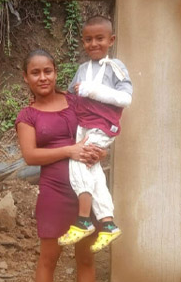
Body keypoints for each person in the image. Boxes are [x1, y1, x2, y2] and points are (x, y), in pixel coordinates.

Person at [15, 49, 116, 282]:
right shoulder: (27, 115)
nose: (43, 77)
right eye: (36, 72)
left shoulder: (75, 102)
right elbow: (30, 155)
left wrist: (101, 152)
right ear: (26, 77)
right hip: (54, 192)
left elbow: (98, 133)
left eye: (48, 70)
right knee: (49, 258)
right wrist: (69, 150)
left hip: (85, 190)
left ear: (56, 72)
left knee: (86, 257)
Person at [57, 15, 133, 253]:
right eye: (88, 39)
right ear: (83, 42)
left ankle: (84, 220)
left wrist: (92, 90)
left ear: (111, 40)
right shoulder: (82, 69)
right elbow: (70, 98)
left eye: (99, 38)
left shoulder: (116, 67)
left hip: (102, 125)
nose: (93, 44)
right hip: (84, 125)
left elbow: (125, 99)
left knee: (78, 160)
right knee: (93, 169)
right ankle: (108, 224)